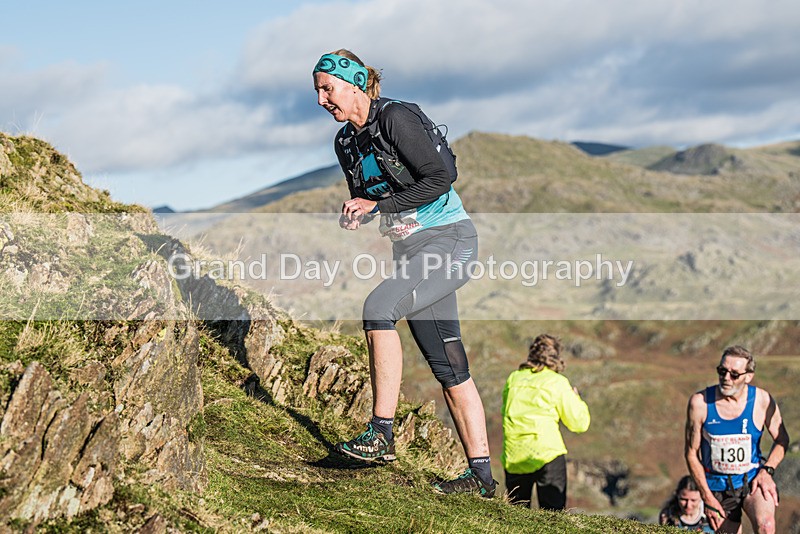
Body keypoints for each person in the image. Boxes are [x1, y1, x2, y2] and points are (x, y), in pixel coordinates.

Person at [313, 49, 496, 497]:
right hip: (410, 252)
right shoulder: (345, 143)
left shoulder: (395, 117)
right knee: (448, 363)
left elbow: (442, 175)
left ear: (355, 83)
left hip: (449, 241)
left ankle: (381, 434)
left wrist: (379, 205)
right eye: (317, 91)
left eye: (327, 88)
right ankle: (482, 478)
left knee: (378, 308)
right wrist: (358, 211)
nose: (321, 100)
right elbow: (367, 193)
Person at [685, 346, 790, 534]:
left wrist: (767, 471)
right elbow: (691, 453)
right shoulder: (700, 403)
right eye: (722, 371)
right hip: (717, 486)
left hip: (752, 480)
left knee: (766, 526)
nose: (726, 378)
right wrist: (707, 497)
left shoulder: (762, 401)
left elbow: (782, 439)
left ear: (748, 376)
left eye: (734, 374)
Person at [501, 334, 590, 510]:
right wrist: (576, 399)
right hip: (547, 454)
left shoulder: (514, 379)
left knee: (516, 515)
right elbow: (579, 423)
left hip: (514, 454)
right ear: (556, 356)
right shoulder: (557, 382)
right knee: (553, 516)